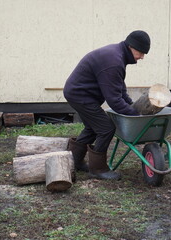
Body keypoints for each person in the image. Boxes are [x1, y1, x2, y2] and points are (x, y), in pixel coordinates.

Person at [64, 30, 151, 180]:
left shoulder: (118, 55)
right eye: (141, 52)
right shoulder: (114, 61)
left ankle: (74, 162)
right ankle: (98, 169)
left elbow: (119, 89)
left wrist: (132, 105)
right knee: (106, 128)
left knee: (93, 127)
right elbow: (114, 101)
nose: (142, 57)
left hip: (82, 93)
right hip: (80, 95)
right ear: (132, 46)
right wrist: (136, 115)